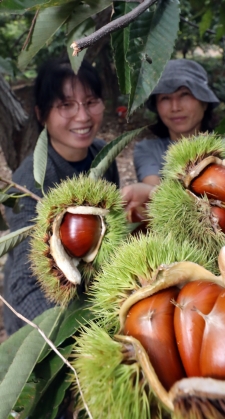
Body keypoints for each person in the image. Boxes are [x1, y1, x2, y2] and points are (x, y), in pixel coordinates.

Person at [3, 57, 121, 335]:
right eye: (66, 105)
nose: (82, 116)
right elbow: (25, 282)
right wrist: (67, 338)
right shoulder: (29, 183)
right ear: (42, 114)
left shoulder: (102, 154)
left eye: (91, 102)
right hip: (47, 321)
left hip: (91, 294)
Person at [134, 59, 220, 187]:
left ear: (204, 102)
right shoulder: (147, 150)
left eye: (185, 94)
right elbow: (155, 191)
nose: (175, 107)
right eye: (165, 98)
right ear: (156, 106)